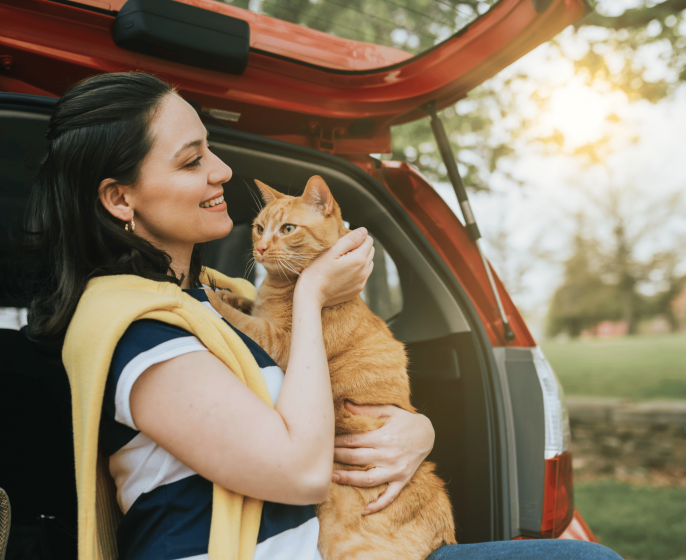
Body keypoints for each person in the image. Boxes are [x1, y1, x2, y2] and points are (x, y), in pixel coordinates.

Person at [25, 72, 622, 560]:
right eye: (191, 161)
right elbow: (301, 471)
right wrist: (311, 293)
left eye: (210, 149)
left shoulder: (214, 302)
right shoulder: (138, 331)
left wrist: (417, 433)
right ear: (119, 198)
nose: (222, 172)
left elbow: (325, 402)